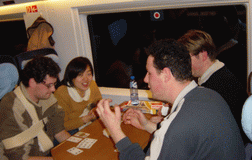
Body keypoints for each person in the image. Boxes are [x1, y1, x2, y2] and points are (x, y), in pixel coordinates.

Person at [96, 39, 245, 159]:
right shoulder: (208, 94)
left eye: (149, 73)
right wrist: (147, 125)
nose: (146, 79)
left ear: (166, 74)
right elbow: (183, 140)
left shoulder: (177, 124)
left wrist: (114, 129)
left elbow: (175, 134)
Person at [178, 29, 249, 144]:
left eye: (187, 58)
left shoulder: (213, 87)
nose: (184, 64)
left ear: (203, 55)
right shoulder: (221, 74)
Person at [0, 56, 71, 160]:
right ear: (32, 82)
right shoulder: (11, 108)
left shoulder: (47, 96)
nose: (53, 89)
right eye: (49, 85)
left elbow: (59, 132)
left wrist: (77, 148)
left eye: (54, 84)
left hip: (44, 154)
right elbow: (20, 157)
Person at [54, 57, 102, 134]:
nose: (86, 79)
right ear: (71, 77)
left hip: (89, 124)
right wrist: (85, 119)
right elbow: (61, 126)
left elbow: (99, 103)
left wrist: (95, 110)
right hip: (71, 130)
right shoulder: (62, 93)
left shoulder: (92, 85)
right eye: (80, 75)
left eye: (88, 74)